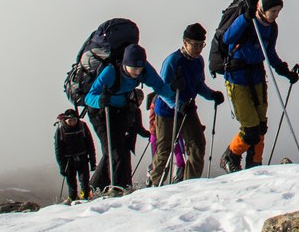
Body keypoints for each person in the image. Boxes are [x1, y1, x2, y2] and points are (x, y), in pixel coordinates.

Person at [218, 0, 299, 172]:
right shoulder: (248, 21)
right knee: (250, 128)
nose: (276, 15)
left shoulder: (272, 27)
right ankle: (231, 155)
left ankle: (254, 164)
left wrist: (285, 71)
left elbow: (269, 53)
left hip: (257, 77)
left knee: (261, 126)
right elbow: (227, 38)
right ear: (263, 8)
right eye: (274, 11)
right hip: (237, 78)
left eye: (278, 11)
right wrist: (245, 19)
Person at [84, 43, 171, 192]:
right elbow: (88, 97)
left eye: (139, 68)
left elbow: (160, 87)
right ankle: (116, 189)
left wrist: (177, 103)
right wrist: (99, 101)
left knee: (121, 150)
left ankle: (105, 187)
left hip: (119, 110)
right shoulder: (110, 72)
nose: (137, 72)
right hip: (100, 112)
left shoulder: (144, 70)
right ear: (125, 64)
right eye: (134, 68)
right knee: (114, 151)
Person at [149, 23, 225, 184]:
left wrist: (212, 95)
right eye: (195, 45)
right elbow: (162, 90)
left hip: (188, 109)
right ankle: (155, 185)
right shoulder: (172, 61)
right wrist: (178, 105)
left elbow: (198, 85)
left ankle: (190, 184)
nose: (198, 49)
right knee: (164, 150)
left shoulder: (198, 62)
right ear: (185, 42)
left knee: (198, 145)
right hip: (167, 111)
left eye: (201, 45)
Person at [53, 109, 96, 202]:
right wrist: (62, 166)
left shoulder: (82, 126)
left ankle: (85, 198)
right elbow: (58, 150)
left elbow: (90, 144)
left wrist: (93, 161)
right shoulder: (61, 130)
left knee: (84, 182)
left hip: (82, 158)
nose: (72, 122)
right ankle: (73, 199)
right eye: (70, 121)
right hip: (68, 161)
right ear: (65, 120)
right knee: (71, 184)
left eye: (74, 120)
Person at [145, 104, 185, 185]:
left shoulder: (158, 100)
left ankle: (153, 177)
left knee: (162, 156)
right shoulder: (158, 101)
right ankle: (155, 178)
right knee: (160, 157)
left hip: (166, 132)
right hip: (159, 132)